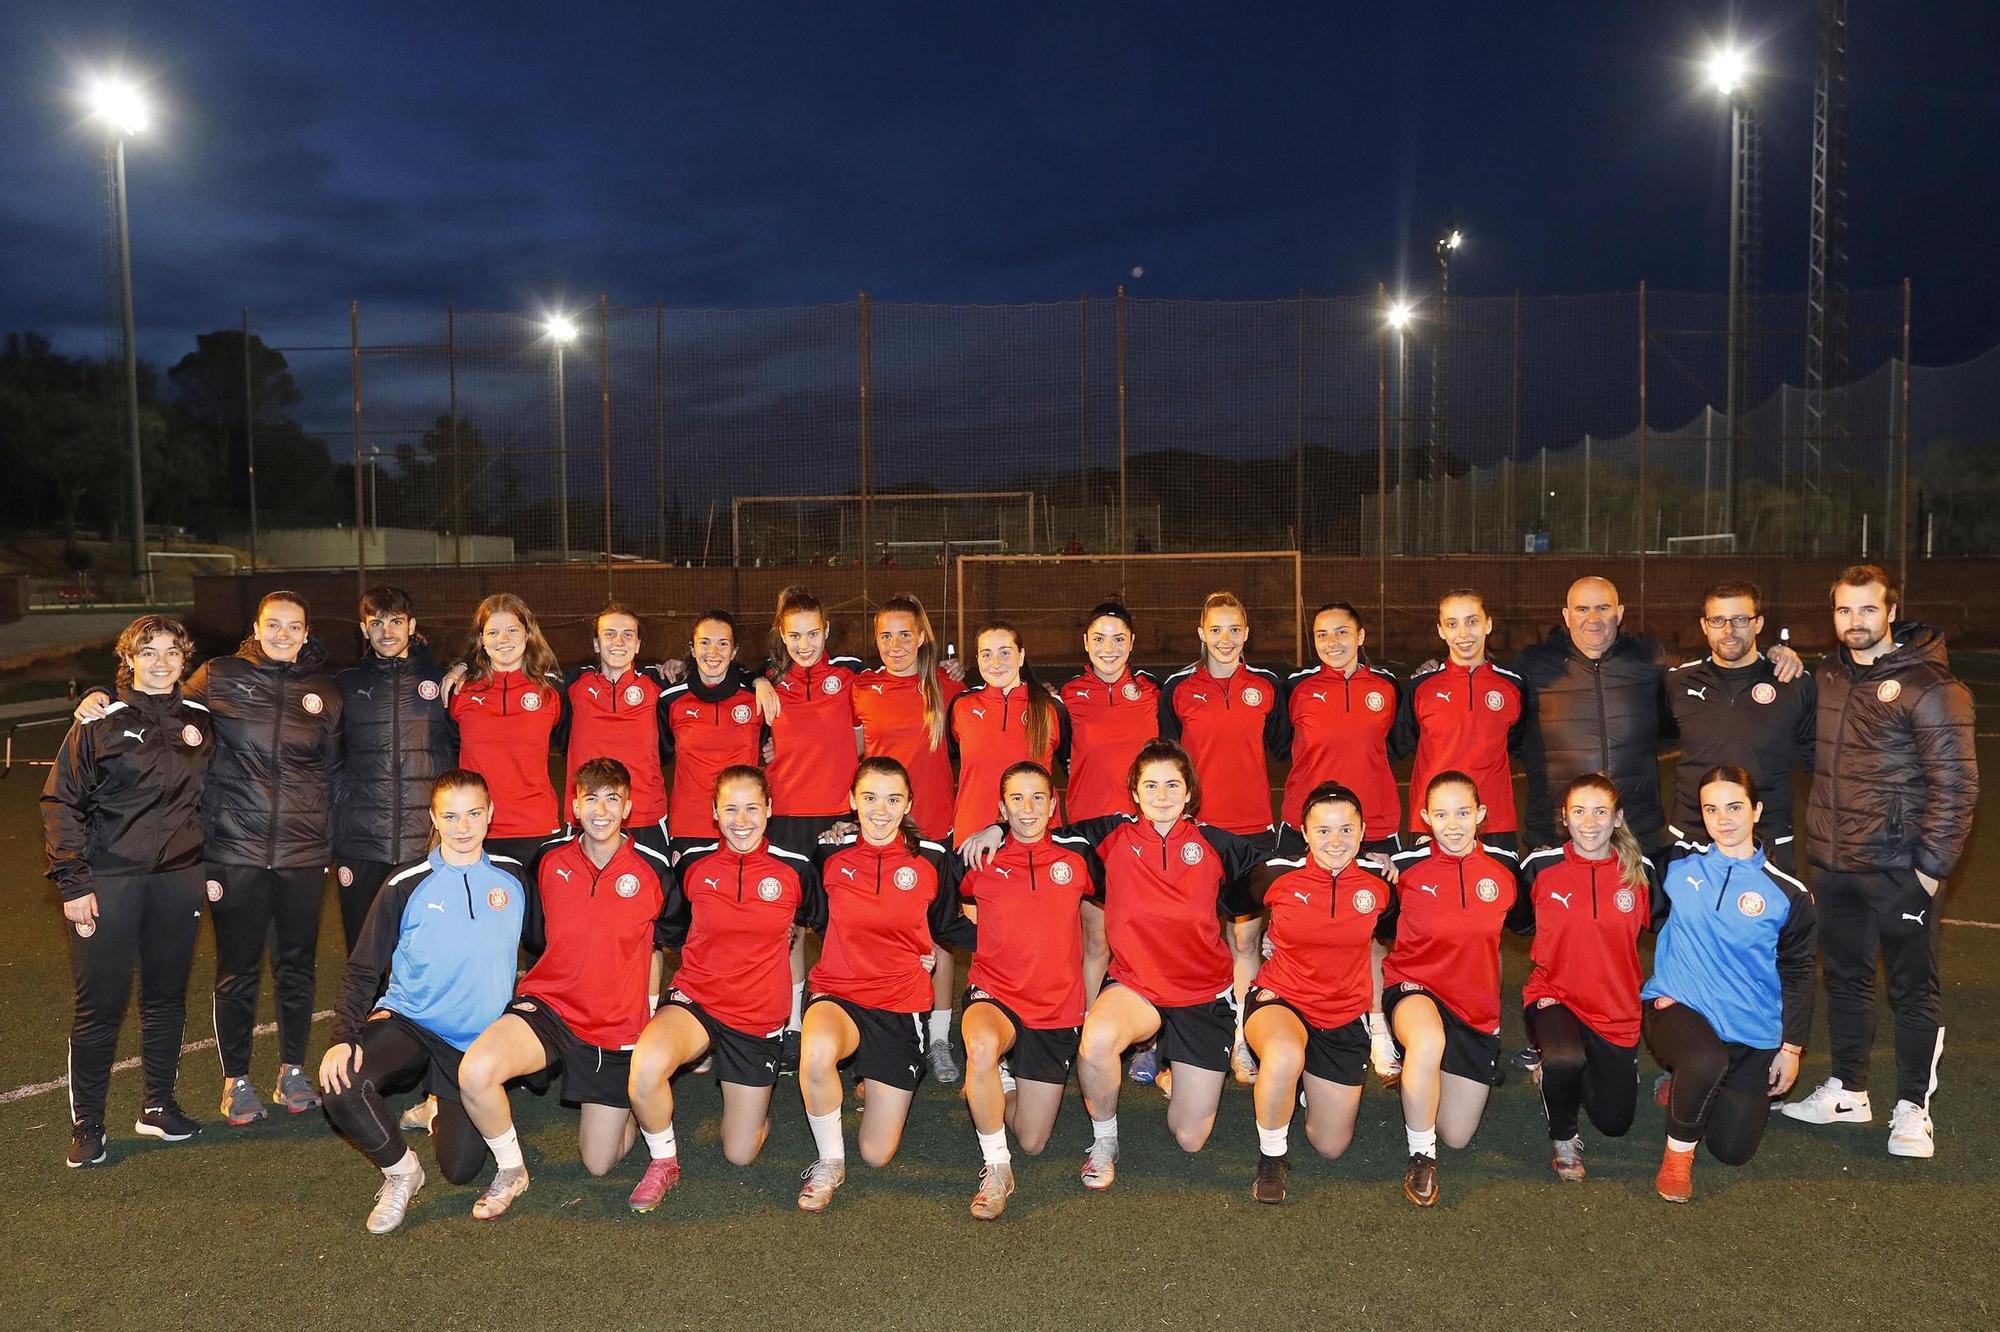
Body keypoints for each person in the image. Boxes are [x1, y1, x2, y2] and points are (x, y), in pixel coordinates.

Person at [78, 591, 344, 1126]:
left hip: (301, 849)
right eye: (274, 624)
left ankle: (293, 1070)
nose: (284, 634)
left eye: (295, 626)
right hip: (233, 850)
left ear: (307, 631)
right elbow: (161, 696)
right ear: (257, 625)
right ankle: (236, 1081)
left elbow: (334, 772)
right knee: (238, 968)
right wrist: (101, 694)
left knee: (296, 965)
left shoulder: (325, 691)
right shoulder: (220, 675)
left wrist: (326, 838)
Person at [968, 739, 1262, 1191]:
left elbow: (1283, 869)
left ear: (1189, 794)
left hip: (1204, 996)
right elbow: (1034, 824)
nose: (1161, 796)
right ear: (1135, 793)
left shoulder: (1218, 845)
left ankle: (1174, 1073)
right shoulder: (1108, 835)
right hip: (1136, 987)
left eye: (1172, 786)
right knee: (1097, 1038)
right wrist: (994, 827)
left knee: (1189, 1138)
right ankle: (1105, 1141)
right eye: (1151, 786)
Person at [1783, 564, 1978, 1158]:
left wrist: (1930, 868)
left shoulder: (1930, 684)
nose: (1855, 621)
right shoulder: (1831, 675)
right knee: (1846, 977)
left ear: (1891, 612)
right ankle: (1849, 1089)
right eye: (1844, 610)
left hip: (1900, 867)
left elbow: (1958, 785)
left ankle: (1914, 1108)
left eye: (1868, 610)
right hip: (1837, 861)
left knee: (1913, 991)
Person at [456, 757, 670, 1219]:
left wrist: (648, 1017)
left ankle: (631, 1100)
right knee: (475, 1072)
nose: (601, 810)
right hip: (550, 1007)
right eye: (591, 798)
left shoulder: (654, 869)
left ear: (628, 807)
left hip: (613, 1027)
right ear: (574, 805)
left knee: (598, 1163)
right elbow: (534, 938)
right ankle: (512, 1170)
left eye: (612, 799)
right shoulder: (549, 860)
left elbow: (665, 943)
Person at [318, 770, 527, 1232]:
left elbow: (547, 948)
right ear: (433, 818)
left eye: (474, 813)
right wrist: (343, 1036)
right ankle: (401, 1174)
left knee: (461, 1169)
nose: (463, 826)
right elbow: (363, 967)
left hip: (472, 1046)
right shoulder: (406, 883)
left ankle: (437, 1104)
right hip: (411, 1022)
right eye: (450, 815)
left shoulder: (513, 879)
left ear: (490, 814)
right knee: (341, 1082)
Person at [43, 614, 215, 1167]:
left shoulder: (201, 720)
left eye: (171, 652)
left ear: (184, 659)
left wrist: (206, 865)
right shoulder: (98, 720)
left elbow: (213, 799)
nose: (161, 662)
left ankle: (157, 1106)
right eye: (148, 652)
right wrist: (72, 880)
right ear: (129, 660)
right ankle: (88, 1123)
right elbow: (61, 802)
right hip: (110, 880)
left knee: (166, 998)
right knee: (101, 1005)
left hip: (179, 879)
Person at [625, 766, 820, 1212]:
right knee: (645, 1068)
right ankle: (663, 1162)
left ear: (770, 809)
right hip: (698, 998)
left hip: (756, 1015)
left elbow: (835, 923)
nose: (741, 819)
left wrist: (913, 953)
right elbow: (663, 932)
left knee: (740, 1153)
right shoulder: (693, 864)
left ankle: (752, 1102)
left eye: (752, 807)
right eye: (730, 808)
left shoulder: (796, 869)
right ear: (714, 812)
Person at [795, 758, 974, 1212]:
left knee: (877, 1154)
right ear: (852, 801)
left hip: (900, 1003)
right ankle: (829, 1161)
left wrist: (1020, 940)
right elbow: (813, 916)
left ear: (908, 804)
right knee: (816, 1054)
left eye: (893, 799)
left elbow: (949, 927)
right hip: (839, 993)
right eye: (869, 798)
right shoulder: (828, 853)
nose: (880, 810)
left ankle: (870, 1078)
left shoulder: (932, 859)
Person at [1513, 576, 1800, 857]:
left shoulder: (1649, 658)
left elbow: (1716, 663)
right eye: (1582, 609)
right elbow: (1511, 733)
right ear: (1566, 615)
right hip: (1557, 831)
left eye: (1603, 608)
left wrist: (1772, 654)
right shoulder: (1535, 666)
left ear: (1620, 613)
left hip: (1635, 831)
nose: (1593, 618)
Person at [1644, 766, 1816, 1202]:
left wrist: (1790, 1048)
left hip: (1750, 1030)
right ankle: (1676, 1160)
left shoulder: (1788, 893)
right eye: (1712, 809)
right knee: (1702, 1059)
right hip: (1679, 1005)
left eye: (1735, 807)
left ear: (1756, 810)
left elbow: (1797, 974)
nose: (1724, 819)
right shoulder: (1677, 866)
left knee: (1732, 1150)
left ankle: (1690, 1083)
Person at [1383, 588, 1531, 1084]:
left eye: (1473, 621)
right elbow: (1396, 744)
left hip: (1496, 825)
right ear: (1440, 630)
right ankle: (1415, 1031)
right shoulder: (1422, 687)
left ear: (1488, 624)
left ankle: (1481, 1035)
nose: (1463, 633)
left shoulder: (1512, 685)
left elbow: (1519, 741)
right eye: (1453, 623)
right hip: (1430, 828)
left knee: (1485, 934)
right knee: (1424, 930)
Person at [950, 762, 1096, 1220]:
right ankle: (996, 1169)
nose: (1028, 808)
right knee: (980, 1047)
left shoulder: (1079, 857)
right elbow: (920, 890)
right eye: (1016, 799)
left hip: (1055, 1009)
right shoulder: (980, 857)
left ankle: (998, 1081)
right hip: (994, 992)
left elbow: (1122, 910)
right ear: (1001, 807)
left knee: (1032, 1140)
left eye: (1038, 798)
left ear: (1054, 806)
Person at [1158, 591, 1290, 1085]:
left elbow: (1287, 746)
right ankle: (1174, 1051)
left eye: (1235, 629)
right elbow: (1166, 762)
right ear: (1201, 632)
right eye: (1216, 629)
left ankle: (1241, 1041)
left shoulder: (1268, 687)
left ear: (1246, 633)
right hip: (1197, 834)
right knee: (1188, 942)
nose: (1226, 639)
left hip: (1254, 833)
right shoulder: (1177, 689)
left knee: (1246, 940)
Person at [1243, 782, 1391, 1204]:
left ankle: (1302, 1081)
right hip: (1281, 998)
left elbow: (1394, 935)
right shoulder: (1274, 872)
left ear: (1363, 832)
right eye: (1322, 831)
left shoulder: (1380, 882)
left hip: (1342, 1014)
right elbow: (1228, 905)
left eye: (1347, 830)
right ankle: (1272, 1157)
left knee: (1331, 1145)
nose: (1335, 841)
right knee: (1285, 1053)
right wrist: (1259, 943)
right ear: (1304, 833)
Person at [1380, 772, 1518, 1207]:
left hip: (1474, 1010)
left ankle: (1424, 1073)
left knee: (1457, 1135)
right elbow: (1345, 897)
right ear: (1425, 818)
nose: (1453, 825)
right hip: (1414, 987)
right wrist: (1277, 938)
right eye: (1441, 814)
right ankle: (1422, 1155)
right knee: (1427, 1039)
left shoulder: (1508, 867)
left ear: (1481, 814)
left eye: (1463, 813)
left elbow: (1547, 925)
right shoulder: (1402, 866)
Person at [1509, 774, 1654, 1183]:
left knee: (1615, 1123)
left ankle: (1576, 1068)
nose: (1589, 823)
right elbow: (1515, 921)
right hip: (1555, 994)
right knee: (1563, 1058)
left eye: (1601, 812)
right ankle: (1564, 1138)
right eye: (1579, 812)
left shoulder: (1640, 873)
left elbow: (1678, 927)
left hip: (1615, 1007)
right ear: (1564, 818)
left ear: (1618, 818)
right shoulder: (1540, 867)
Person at [849, 593, 966, 1083]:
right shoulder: (860, 688)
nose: (895, 645)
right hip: (879, 832)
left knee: (937, 937)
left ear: (922, 637)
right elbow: (853, 753)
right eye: (885, 636)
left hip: (934, 830)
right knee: (881, 936)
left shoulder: (947, 686)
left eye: (904, 634)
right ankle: (880, 1032)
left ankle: (938, 1039)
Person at [762, 586, 867, 1073]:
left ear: (826, 631)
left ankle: (848, 1015)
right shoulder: (767, 683)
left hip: (839, 819)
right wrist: (758, 680)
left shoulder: (849, 676)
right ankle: (791, 1025)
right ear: (782, 637)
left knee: (844, 924)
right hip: (784, 816)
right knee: (789, 929)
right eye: (794, 635)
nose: (804, 644)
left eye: (812, 633)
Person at [331, 585, 456, 951]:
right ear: (363, 628)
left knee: (427, 951)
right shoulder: (346, 684)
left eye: (396, 621)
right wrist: (347, 809)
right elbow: (329, 757)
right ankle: (364, 1012)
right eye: (377, 622)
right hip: (362, 843)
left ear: (412, 625)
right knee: (365, 952)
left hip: (425, 842)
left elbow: (465, 750)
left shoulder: (442, 682)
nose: (387, 631)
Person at [1665, 579, 1815, 872]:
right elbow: (1659, 736)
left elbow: (1818, 760)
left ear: (1758, 623)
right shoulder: (1678, 682)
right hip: (1693, 839)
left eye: (1740, 619)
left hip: (1768, 838)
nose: (1729, 630)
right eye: (1718, 620)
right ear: (1704, 625)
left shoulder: (1793, 684)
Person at [1055, 601, 1160, 1015]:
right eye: (1099, 638)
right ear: (1085, 642)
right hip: (1088, 831)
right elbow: (1059, 754)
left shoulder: (1154, 692)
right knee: (1096, 938)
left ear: (1132, 643)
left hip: (1144, 830)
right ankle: (1087, 1022)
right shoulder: (1068, 696)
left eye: (1118, 639)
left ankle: (1148, 1039)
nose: (1109, 647)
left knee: (1144, 935)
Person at [447, 594, 567, 866]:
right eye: (493, 632)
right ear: (481, 639)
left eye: (512, 630)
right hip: (476, 831)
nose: (503, 639)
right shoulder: (460, 691)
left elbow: (573, 745)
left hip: (536, 829)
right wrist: (459, 668)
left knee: (535, 909)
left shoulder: (552, 690)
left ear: (528, 634)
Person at [1280, 602, 1401, 856]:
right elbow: (1278, 742)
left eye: (1342, 632)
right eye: (1322, 635)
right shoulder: (1295, 687)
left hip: (1374, 826)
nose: (1331, 642)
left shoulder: (1387, 685)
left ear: (1360, 636)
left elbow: (1399, 742)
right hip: (1309, 823)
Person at [558, 602, 671, 857]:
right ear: (596, 644)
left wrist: (759, 679)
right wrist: (463, 668)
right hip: (588, 818)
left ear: (639, 644)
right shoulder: (574, 684)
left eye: (627, 635)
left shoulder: (658, 683)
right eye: (609, 634)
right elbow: (524, 671)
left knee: (651, 895)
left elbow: (711, 674)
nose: (618, 641)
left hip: (645, 817)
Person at [948, 620, 1068, 848]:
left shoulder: (1050, 707)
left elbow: (1073, 764)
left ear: (1021, 656)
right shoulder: (961, 706)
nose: (995, 663)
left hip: (1036, 840)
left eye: (1005, 653)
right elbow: (945, 763)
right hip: (972, 841)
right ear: (977, 660)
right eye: (986, 654)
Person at [660, 610, 768, 855]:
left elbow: (774, 745)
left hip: (743, 828)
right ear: (692, 647)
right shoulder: (671, 700)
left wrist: (758, 680)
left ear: (735, 651)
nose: (713, 652)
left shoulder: (757, 698)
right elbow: (656, 755)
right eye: (704, 642)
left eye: (723, 644)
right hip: (689, 827)